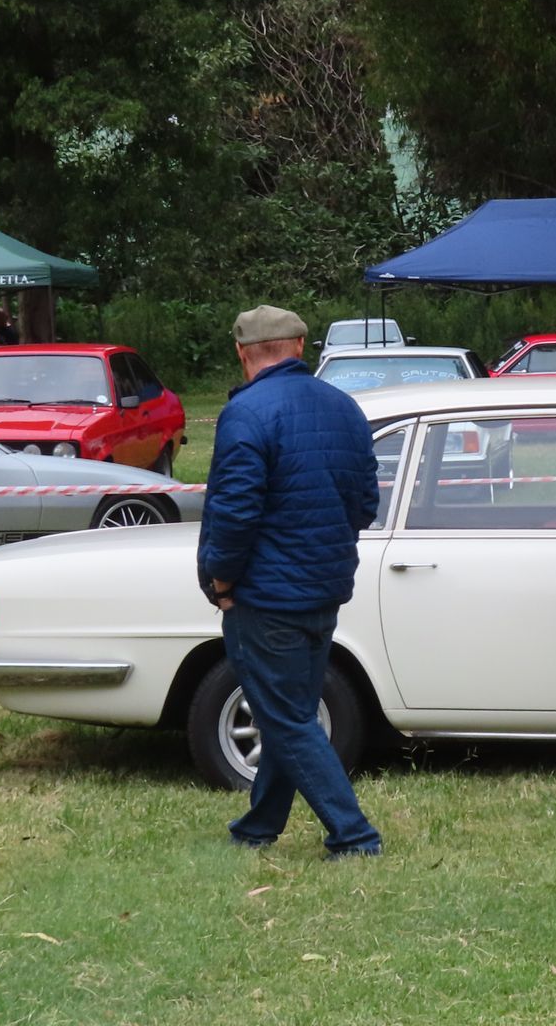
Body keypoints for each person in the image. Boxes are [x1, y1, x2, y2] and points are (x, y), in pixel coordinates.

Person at [197, 305, 381, 857]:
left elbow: (234, 514)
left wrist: (221, 581)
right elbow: (365, 504)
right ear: (301, 345)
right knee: (290, 712)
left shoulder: (245, 413)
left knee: (287, 718)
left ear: (241, 352)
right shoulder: (345, 407)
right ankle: (258, 827)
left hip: (265, 596)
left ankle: (355, 836)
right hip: (326, 588)